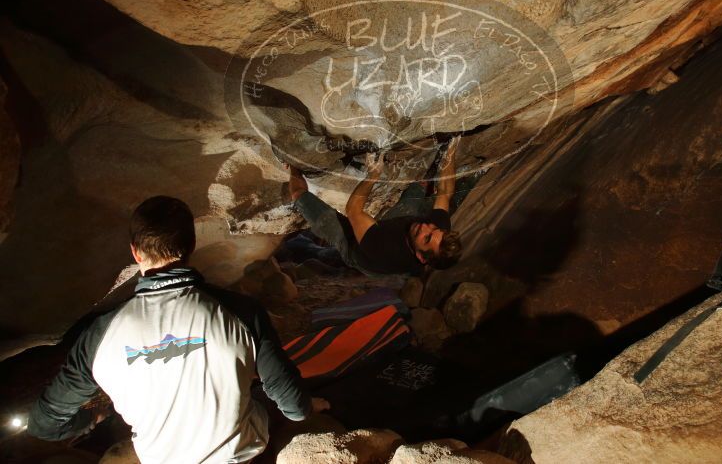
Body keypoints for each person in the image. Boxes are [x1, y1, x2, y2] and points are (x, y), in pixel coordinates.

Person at [28, 196, 328, 464]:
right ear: (191, 246)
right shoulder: (241, 311)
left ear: (135, 253)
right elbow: (295, 408)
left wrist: (91, 416)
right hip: (235, 456)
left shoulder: (99, 334)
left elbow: (45, 424)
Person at [290, 137, 463, 276]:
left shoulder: (382, 250)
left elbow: (353, 211)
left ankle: (290, 166)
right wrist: (451, 150)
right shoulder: (439, 232)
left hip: (357, 249)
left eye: (426, 238)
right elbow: (445, 192)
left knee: (300, 196)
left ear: (420, 257)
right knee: (417, 190)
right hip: (398, 229)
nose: (426, 227)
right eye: (433, 229)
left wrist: (374, 174)